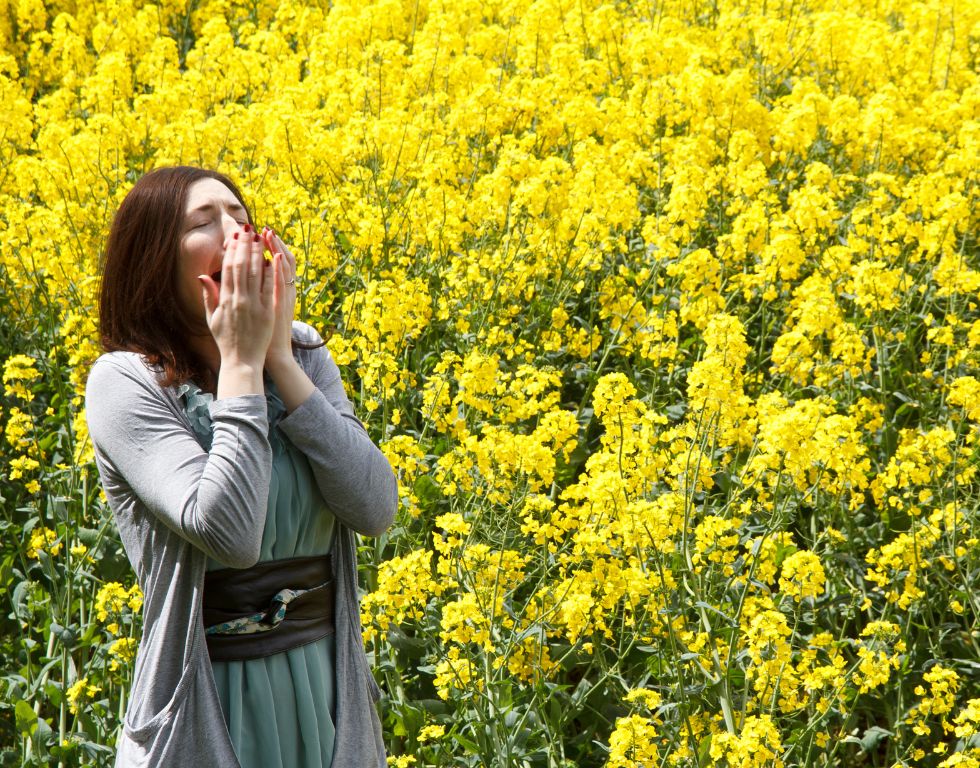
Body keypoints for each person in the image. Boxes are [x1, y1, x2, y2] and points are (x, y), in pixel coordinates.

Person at [85, 166, 397, 768]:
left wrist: (280, 358)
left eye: (240, 217)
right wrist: (243, 366)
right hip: (210, 699)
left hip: (323, 688)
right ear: (153, 261)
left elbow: (374, 507)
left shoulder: (302, 351)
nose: (235, 233)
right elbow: (230, 534)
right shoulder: (124, 383)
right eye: (204, 223)